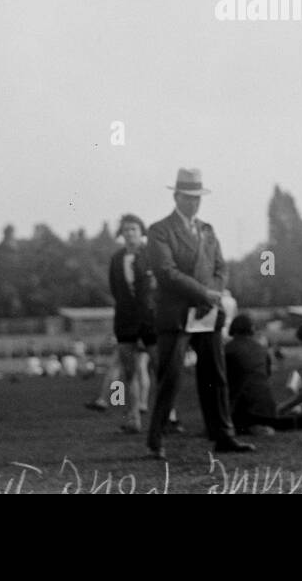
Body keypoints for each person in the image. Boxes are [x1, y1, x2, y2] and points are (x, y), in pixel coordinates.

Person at [145, 168, 253, 460]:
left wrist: (213, 295)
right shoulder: (159, 230)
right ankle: (156, 438)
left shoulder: (207, 229)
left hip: (206, 312)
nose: (194, 203)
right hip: (177, 313)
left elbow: (221, 268)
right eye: (188, 197)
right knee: (171, 376)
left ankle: (223, 435)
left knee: (215, 376)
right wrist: (203, 293)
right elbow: (166, 272)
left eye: (197, 198)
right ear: (176, 196)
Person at [106, 214, 155, 434]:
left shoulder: (152, 254)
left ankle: (170, 415)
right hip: (126, 320)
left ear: (141, 231)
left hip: (151, 319)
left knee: (160, 367)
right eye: (125, 230)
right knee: (129, 372)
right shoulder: (117, 258)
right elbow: (115, 289)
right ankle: (133, 417)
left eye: (134, 229)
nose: (129, 233)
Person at [224, 314, 282, 436]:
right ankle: (257, 426)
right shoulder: (261, 349)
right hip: (269, 410)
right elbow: (266, 374)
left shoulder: (227, 349)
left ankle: (245, 426)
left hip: (245, 408)